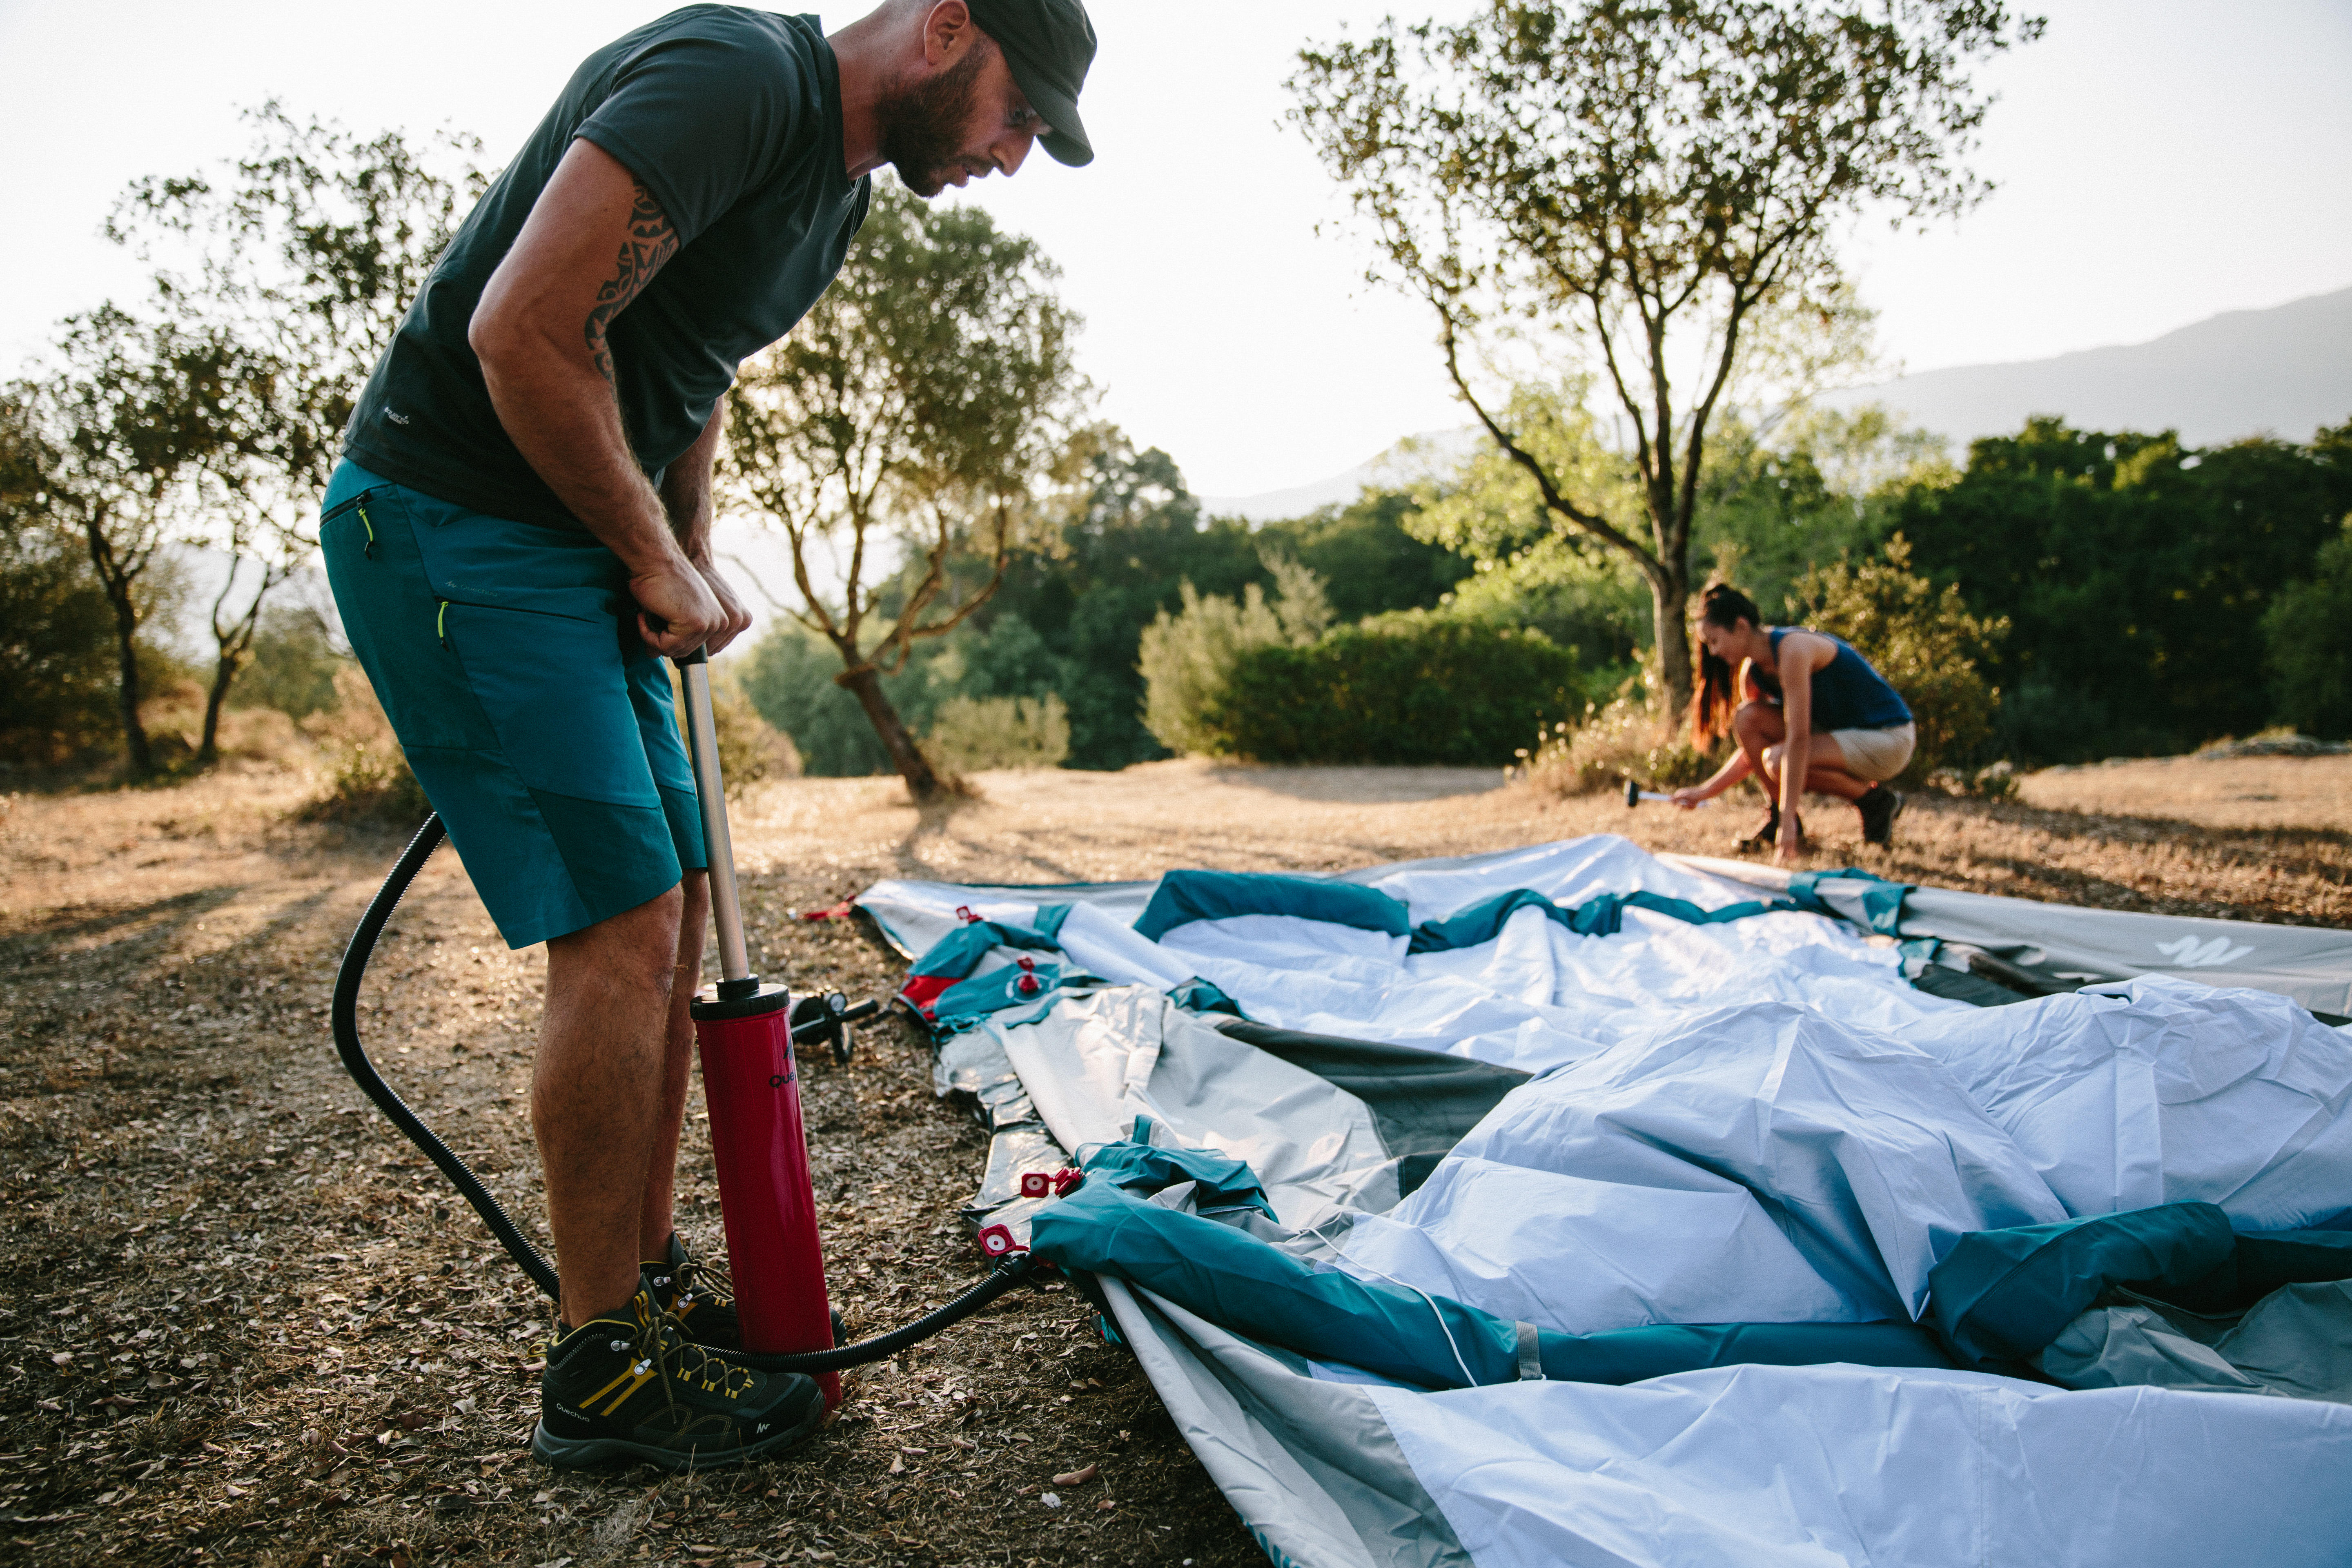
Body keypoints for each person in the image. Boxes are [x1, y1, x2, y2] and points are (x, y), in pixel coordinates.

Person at [316, 0, 1096, 1472]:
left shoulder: (838, 192)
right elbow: (524, 327)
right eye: (1019, 111)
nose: (1016, 150)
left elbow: (693, 359)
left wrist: (686, 546)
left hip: (578, 546)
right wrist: (650, 554)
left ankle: (647, 1299)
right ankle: (598, 1370)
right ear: (943, 27)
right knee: (620, 923)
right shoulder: (733, 75)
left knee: (673, 916)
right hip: (456, 517)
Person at [1668, 584, 1913, 864]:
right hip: (1842, 737)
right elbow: (1754, 753)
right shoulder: (1753, 672)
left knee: (1778, 761)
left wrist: (1789, 827)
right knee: (1748, 718)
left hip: (1889, 739)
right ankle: (1779, 814)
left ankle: (1876, 804)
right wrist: (1704, 792)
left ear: (1740, 626)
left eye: (1714, 641)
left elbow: (1798, 741)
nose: (1713, 652)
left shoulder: (1793, 650)